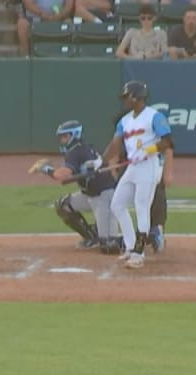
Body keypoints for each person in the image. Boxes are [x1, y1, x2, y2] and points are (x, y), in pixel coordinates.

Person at [103, 81, 174, 270]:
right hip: (133, 167)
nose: (125, 100)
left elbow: (167, 142)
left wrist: (149, 149)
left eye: (127, 97)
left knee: (141, 207)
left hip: (148, 166)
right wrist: (100, 161)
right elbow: (115, 144)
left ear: (136, 97)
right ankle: (130, 246)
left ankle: (139, 253)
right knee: (117, 205)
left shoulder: (154, 117)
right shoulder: (125, 121)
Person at [29, 121, 122, 254]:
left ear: (75, 135)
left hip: (104, 197)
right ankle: (92, 237)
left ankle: (141, 240)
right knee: (63, 205)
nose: (62, 140)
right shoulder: (82, 149)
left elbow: (61, 175)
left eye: (65, 137)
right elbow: (66, 175)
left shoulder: (76, 152)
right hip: (90, 195)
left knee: (109, 246)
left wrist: (44, 168)